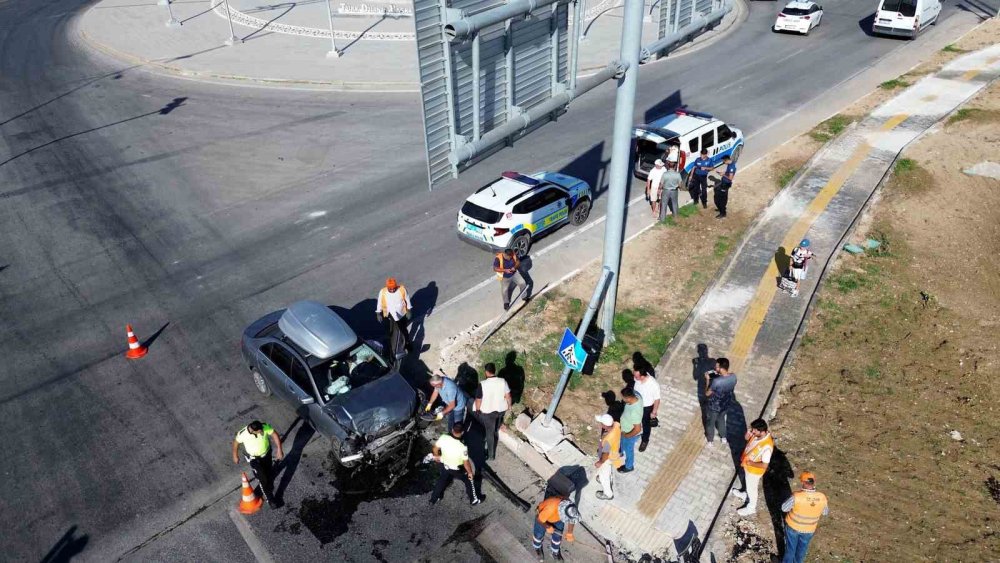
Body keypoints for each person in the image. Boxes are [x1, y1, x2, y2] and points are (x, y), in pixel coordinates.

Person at [232, 420, 285, 508]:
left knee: (268, 474)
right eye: (260, 431)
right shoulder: (243, 434)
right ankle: (270, 499)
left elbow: (274, 434)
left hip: (267, 454)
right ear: (253, 431)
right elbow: (236, 443)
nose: (262, 432)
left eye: (262, 430)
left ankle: (265, 481)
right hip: (254, 459)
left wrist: (279, 449)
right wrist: (235, 455)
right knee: (262, 479)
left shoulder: (264, 426)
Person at [781, 471, 829, 563]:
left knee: (790, 550)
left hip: (793, 527)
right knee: (802, 551)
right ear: (813, 482)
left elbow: (784, 508)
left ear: (803, 482)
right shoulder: (822, 497)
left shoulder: (797, 496)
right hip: (809, 530)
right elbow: (825, 512)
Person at [731, 418, 774, 516]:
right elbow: (747, 439)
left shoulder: (767, 447)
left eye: (754, 430)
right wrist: (748, 433)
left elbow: (764, 465)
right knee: (748, 485)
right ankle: (746, 495)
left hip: (754, 471)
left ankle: (751, 508)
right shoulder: (756, 435)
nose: (752, 431)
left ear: (762, 431)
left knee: (752, 489)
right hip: (748, 467)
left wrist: (751, 464)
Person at [429, 425, 481, 505]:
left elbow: (435, 448)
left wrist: (436, 457)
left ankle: (434, 499)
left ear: (452, 430)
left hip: (444, 465)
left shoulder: (444, 437)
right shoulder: (462, 447)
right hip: (456, 469)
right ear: (462, 432)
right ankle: (473, 499)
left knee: (442, 480)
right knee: (468, 480)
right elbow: (466, 462)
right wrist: (470, 472)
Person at [474, 362, 511, 460]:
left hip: (488, 413)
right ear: (494, 371)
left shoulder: (482, 384)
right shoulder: (503, 381)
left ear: (486, 372)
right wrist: (509, 406)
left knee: (489, 434)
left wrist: (477, 409)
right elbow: (508, 396)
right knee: (498, 420)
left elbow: (478, 400)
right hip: (500, 410)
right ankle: (497, 426)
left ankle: (491, 455)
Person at [532, 495, 579, 561]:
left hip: (557, 518)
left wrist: (570, 533)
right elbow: (538, 519)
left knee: (557, 537)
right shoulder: (550, 508)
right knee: (538, 535)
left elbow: (572, 519)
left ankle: (555, 552)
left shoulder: (570, 507)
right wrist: (547, 526)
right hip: (543, 518)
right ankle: (537, 548)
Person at [704, 357, 737, 446]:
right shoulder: (734, 376)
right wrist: (719, 374)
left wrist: (707, 379)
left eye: (717, 367)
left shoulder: (716, 381)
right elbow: (726, 378)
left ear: (721, 368)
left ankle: (710, 440)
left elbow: (707, 393)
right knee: (721, 420)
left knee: (710, 423)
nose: (715, 368)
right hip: (725, 404)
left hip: (714, 406)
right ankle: (723, 437)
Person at [376, 277, 413, 352]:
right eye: (390, 289)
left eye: (394, 288)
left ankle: (407, 343)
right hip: (389, 315)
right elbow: (379, 303)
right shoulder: (383, 292)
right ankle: (393, 347)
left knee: (403, 330)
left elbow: (407, 299)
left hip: (401, 314)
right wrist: (378, 313)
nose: (392, 290)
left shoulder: (402, 289)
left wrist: (409, 310)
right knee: (391, 332)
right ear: (387, 287)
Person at [594, 414, 624, 500]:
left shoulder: (608, 439)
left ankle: (608, 494)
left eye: (601, 423)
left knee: (604, 474)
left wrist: (600, 462)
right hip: (614, 453)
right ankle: (602, 477)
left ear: (605, 425)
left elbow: (605, 454)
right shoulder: (616, 425)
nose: (600, 424)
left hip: (607, 458)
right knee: (607, 470)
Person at [631, 367, 660, 452]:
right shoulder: (638, 378)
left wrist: (654, 412)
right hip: (636, 404)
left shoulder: (653, 384)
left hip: (646, 408)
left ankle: (645, 440)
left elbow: (657, 399)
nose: (634, 378)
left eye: (636, 376)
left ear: (642, 376)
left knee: (646, 424)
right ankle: (633, 432)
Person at [618, 387, 643, 473]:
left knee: (629, 450)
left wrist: (627, 435)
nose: (622, 399)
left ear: (628, 398)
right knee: (622, 442)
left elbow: (637, 429)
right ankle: (620, 452)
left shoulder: (635, 412)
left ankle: (629, 466)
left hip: (629, 433)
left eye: (623, 398)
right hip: (624, 430)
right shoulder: (637, 396)